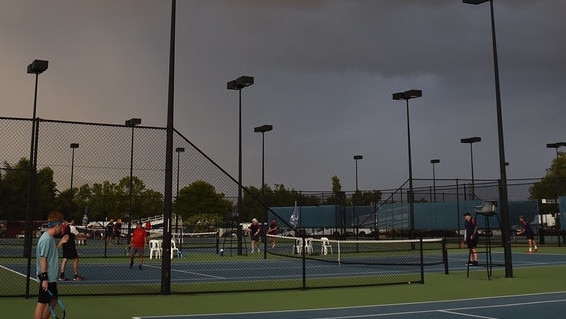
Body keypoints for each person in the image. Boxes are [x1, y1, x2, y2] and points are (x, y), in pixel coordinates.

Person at [34, 211, 69, 319]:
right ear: (57, 225)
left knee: (53, 300)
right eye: (61, 225)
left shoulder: (50, 238)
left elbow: (50, 254)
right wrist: (44, 279)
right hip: (47, 278)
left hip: (51, 278)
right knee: (42, 303)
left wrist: (60, 243)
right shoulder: (46, 239)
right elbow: (43, 259)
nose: (61, 228)